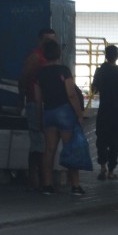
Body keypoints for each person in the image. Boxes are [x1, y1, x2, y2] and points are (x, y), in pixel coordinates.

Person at [35, 39, 85, 195]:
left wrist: (39, 117)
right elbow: (71, 94)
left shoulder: (40, 73)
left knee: (49, 150)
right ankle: (75, 185)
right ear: (58, 53)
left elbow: (38, 99)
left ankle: (47, 185)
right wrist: (79, 114)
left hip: (49, 112)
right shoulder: (64, 70)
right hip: (64, 113)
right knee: (70, 149)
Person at [18, 27, 56, 191]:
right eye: (47, 40)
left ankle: (42, 177)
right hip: (35, 102)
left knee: (45, 143)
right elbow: (23, 78)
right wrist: (22, 100)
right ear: (40, 40)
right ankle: (35, 177)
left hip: (50, 104)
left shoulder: (52, 57)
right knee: (38, 142)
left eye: (52, 40)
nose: (50, 43)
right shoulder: (36, 56)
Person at [91, 45, 118, 181]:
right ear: (117, 56)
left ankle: (103, 167)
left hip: (104, 111)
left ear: (105, 56)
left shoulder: (100, 71)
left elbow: (93, 90)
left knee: (101, 140)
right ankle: (111, 171)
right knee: (115, 142)